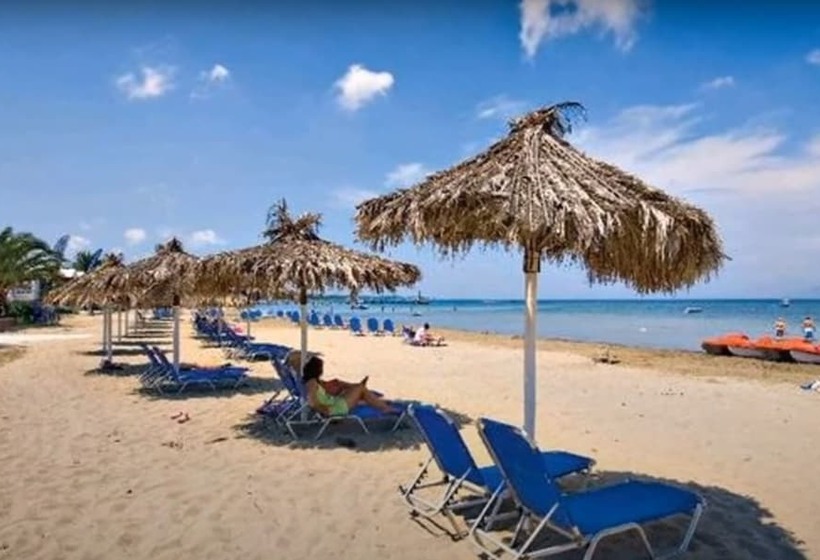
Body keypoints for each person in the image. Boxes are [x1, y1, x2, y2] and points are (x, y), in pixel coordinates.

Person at [302, 356, 399, 417]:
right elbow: (313, 402)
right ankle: (384, 407)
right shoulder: (312, 383)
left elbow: (321, 393)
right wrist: (324, 410)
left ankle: (378, 402)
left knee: (351, 387)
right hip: (334, 408)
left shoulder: (314, 381)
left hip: (333, 402)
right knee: (360, 389)